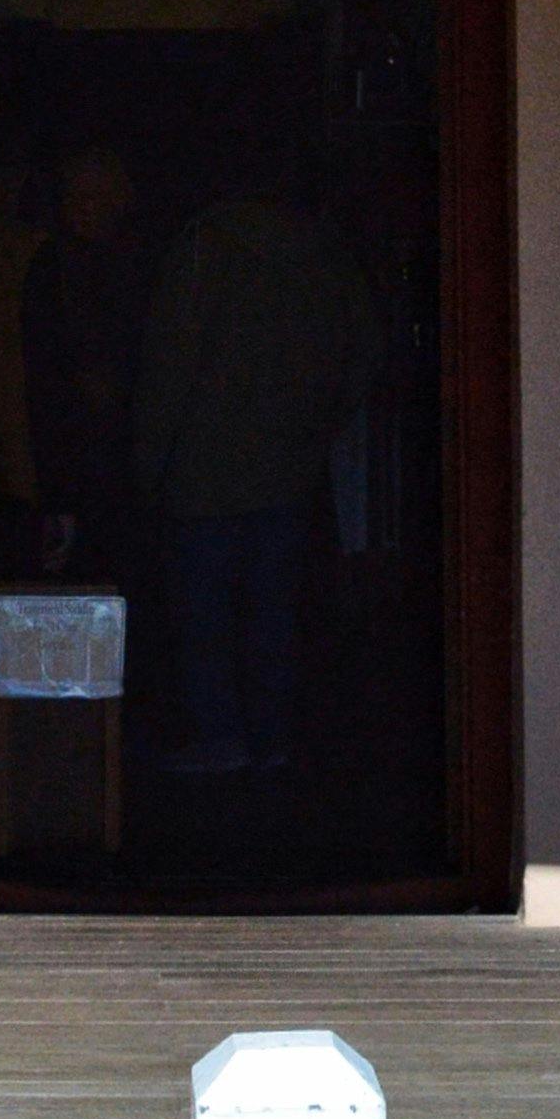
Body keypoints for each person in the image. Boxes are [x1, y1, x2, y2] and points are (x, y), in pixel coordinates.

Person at [134, 173, 375, 777]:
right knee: (272, 609)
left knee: (204, 615)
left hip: (202, 467)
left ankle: (222, 736)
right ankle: (271, 738)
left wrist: (147, 462)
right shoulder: (325, 251)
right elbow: (364, 347)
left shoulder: (202, 247)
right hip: (287, 463)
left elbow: (170, 362)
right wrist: (321, 422)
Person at [17, 146, 147, 574]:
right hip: (65, 456)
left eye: (96, 198)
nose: (85, 209)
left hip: (124, 455)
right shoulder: (49, 268)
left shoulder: (132, 267)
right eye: (76, 197)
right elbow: (39, 372)